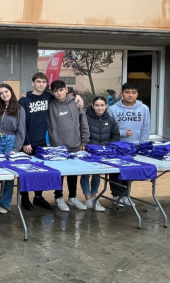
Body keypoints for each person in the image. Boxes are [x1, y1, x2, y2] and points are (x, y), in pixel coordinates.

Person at [47, 80, 90, 212]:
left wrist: (84, 141)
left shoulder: (76, 102)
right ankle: (58, 197)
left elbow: (83, 123)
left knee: (73, 173)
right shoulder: (50, 104)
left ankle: (72, 197)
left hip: (75, 145)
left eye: (60, 90)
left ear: (66, 89)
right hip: (57, 147)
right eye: (55, 91)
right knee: (59, 174)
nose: (58, 93)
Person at [107, 82, 151, 205]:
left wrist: (142, 144)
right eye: (127, 92)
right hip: (117, 146)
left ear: (137, 94)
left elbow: (146, 128)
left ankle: (126, 195)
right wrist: (122, 133)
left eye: (133, 92)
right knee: (116, 171)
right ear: (121, 94)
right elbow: (109, 129)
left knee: (129, 172)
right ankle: (116, 196)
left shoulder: (144, 109)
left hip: (135, 146)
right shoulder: (112, 109)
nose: (130, 95)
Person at [18, 72, 55, 211]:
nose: (41, 84)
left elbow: (63, 95)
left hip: (43, 143)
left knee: (41, 171)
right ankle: (25, 198)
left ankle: (38, 197)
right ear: (33, 83)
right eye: (38, 82)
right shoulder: (23, 101)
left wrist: (78, 97)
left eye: (44, 82)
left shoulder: (49, 97)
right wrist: (26, 142)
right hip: (27, 142)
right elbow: (21, 124)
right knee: (25, 172)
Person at [0, 83, 26, 214]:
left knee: (9, 174)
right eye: (1, 93)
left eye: (6, 91)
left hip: (11, 141)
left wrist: (16, 149)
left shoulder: (19, 108)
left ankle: (5, 204)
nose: (4, 94)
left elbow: (21, 131)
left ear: (11, 92)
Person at [82, 96, 120, 211]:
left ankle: (94, 198)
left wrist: (108, 147)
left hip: (103, 153)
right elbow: (80, 132)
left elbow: (116, 135)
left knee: (97, 174)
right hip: (88, 152)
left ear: (106, 106)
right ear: (93, 106)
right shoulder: (86, 117)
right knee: (85, 174)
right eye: (97, 105)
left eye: (102, 105)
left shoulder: (110, 119)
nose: (100, 108)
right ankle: (88, 198)